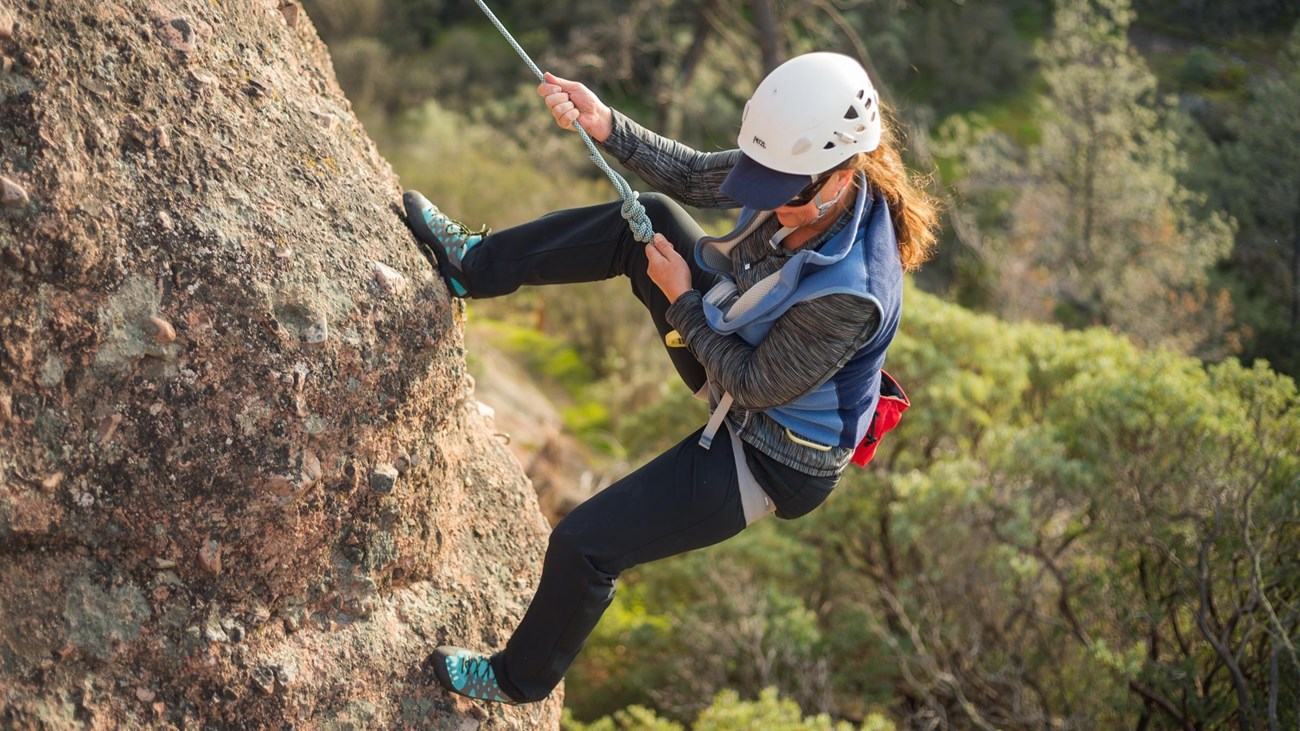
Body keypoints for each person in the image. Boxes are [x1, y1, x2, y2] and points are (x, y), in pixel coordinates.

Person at [405, 52, 939, 704]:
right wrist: (605, 124)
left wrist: (682, 298)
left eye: (787, 192)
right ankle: (474, 266)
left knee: (585, 543)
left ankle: (517, 681)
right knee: (648, 218)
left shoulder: (854, 290)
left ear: (841, 173)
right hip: (734, 352)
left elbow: (752, 384)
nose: (770, 200)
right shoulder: (793, 176)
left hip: (772, 453)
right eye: (764, 181)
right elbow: (690, 175)